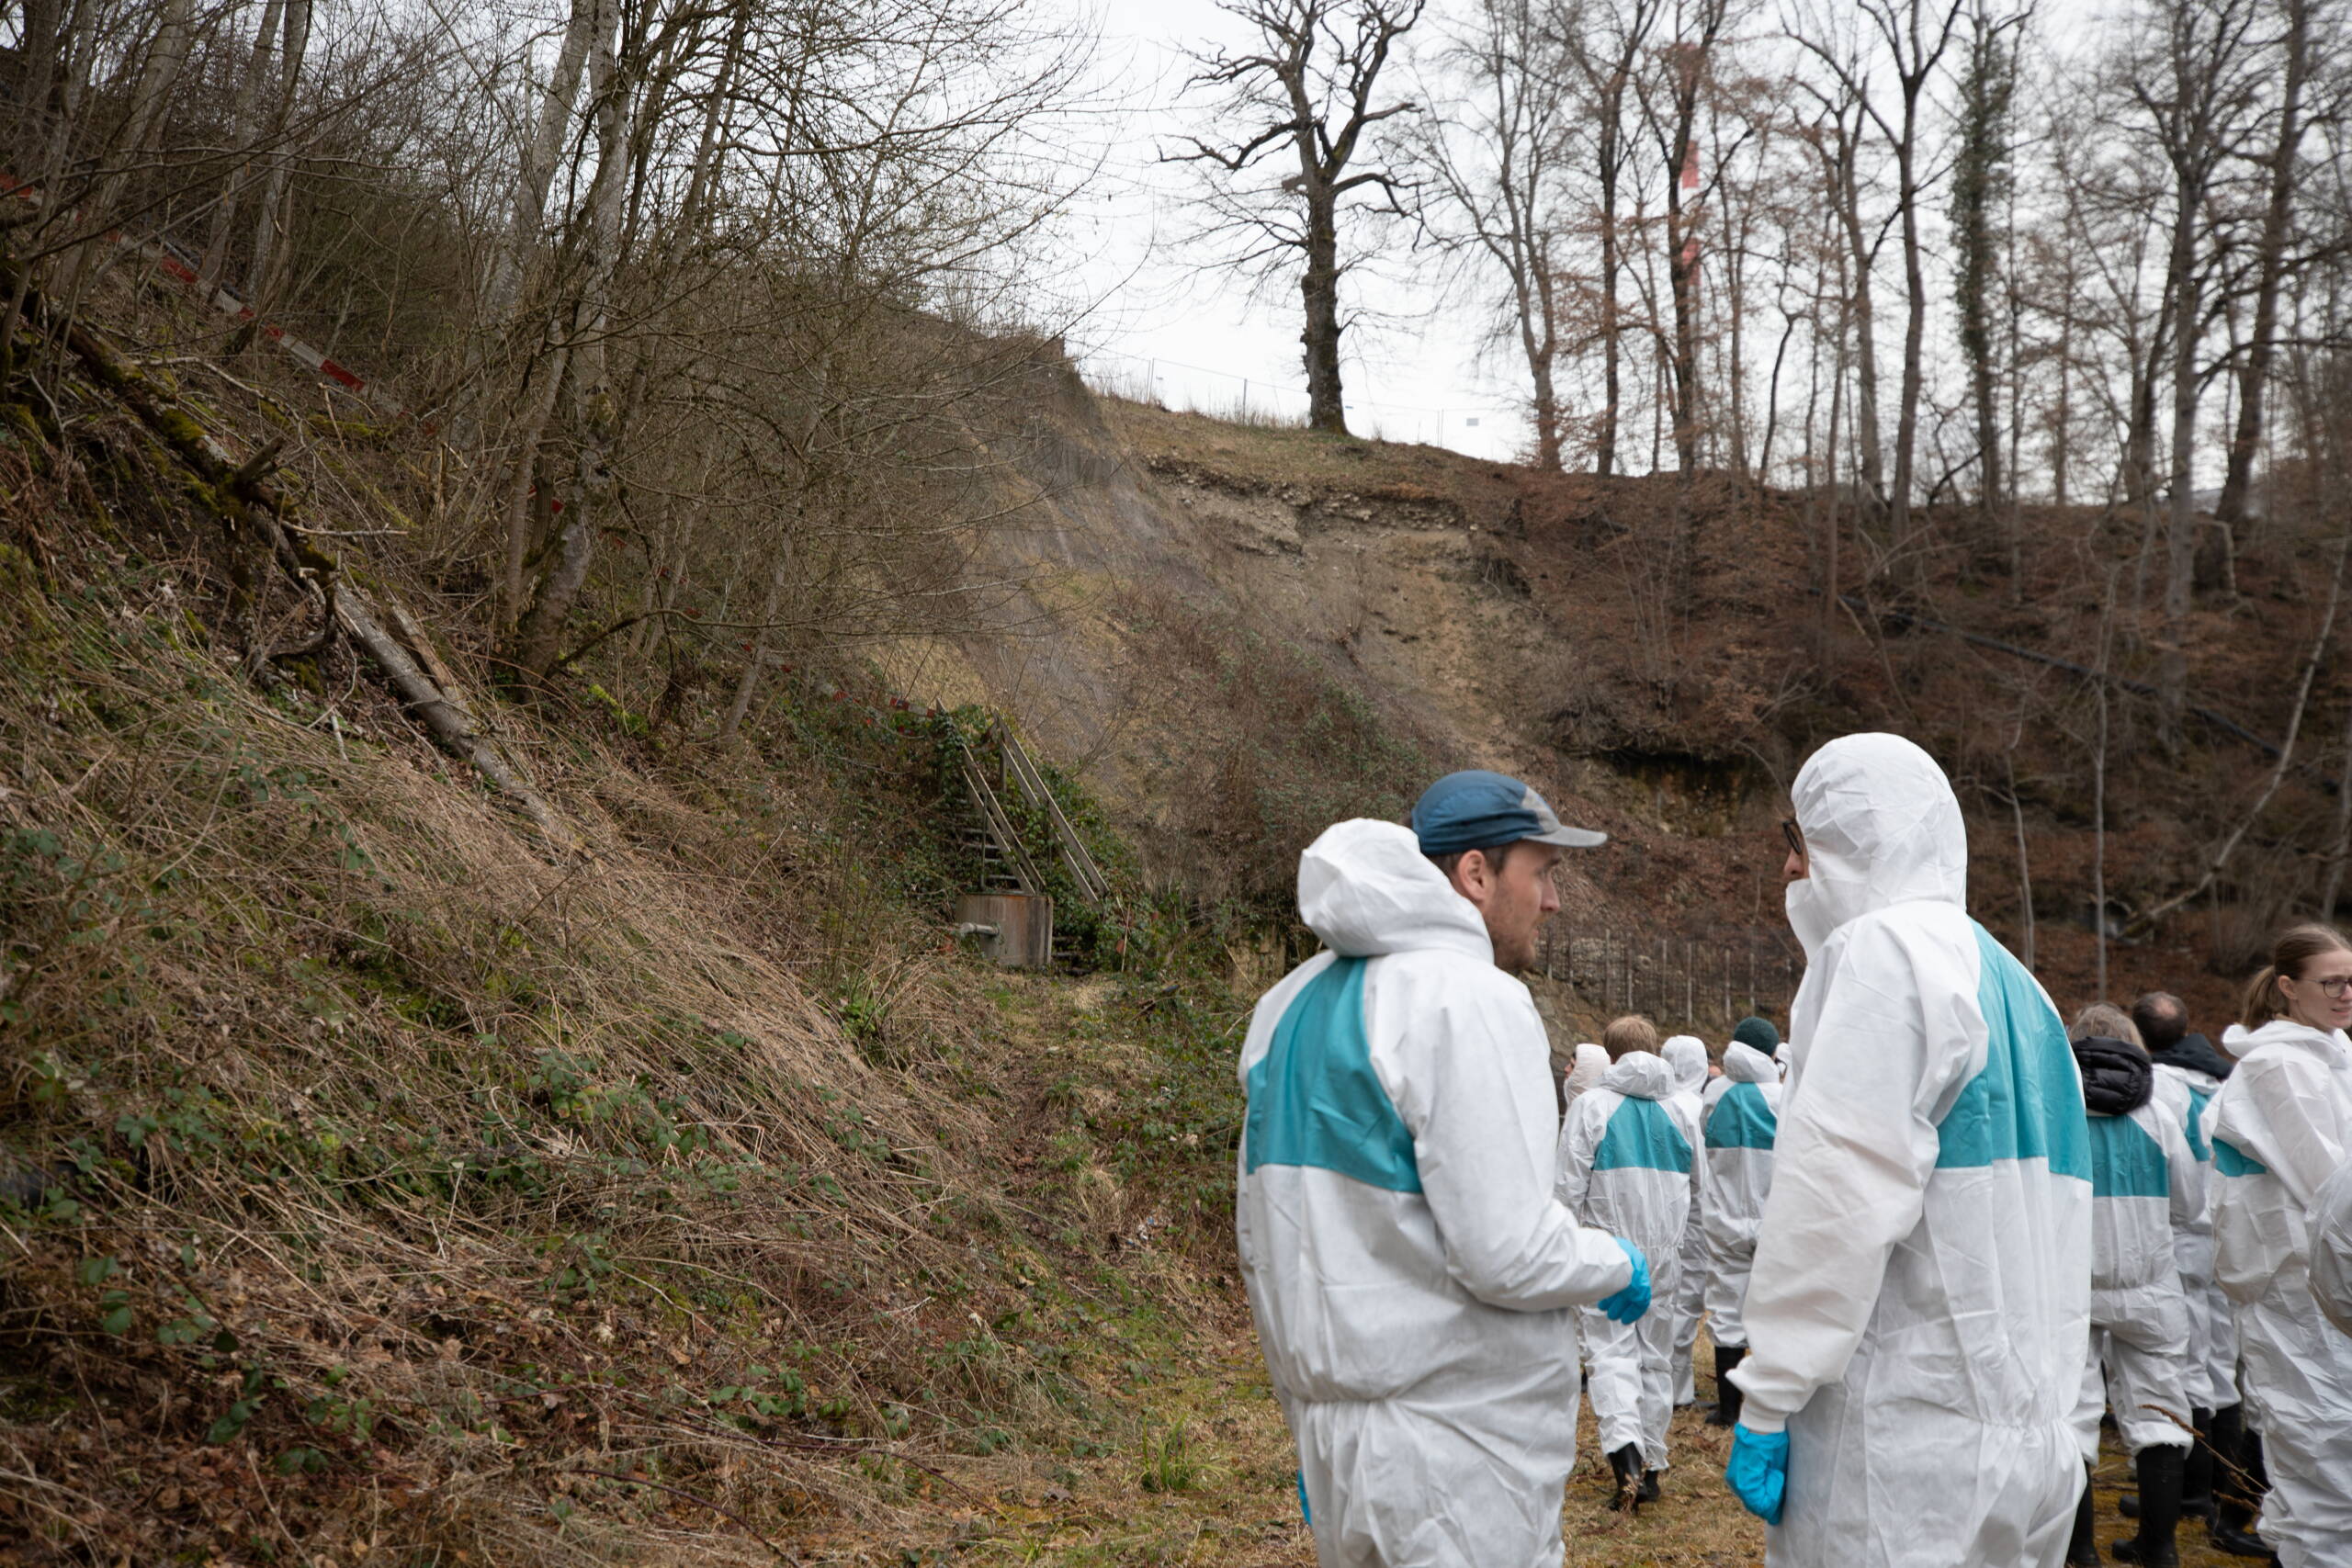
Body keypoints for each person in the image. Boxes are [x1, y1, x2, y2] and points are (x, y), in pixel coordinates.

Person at [1234, 773, 1647, 1568]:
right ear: (1476, 874)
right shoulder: (1470, 999)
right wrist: (1610, 1261)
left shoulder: (1283, 1007)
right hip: (1458, 1452)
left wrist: (1313, 1415)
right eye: (1543, 872)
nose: (1553, 901)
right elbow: (1507, 1251)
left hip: (1339, 1441)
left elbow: (1270, 1244)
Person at [1723, 732, 2093, 1567]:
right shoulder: (2020, 986)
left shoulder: (1881, 954)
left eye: (1800, 845)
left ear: (1853, 841)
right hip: (2027, 1439)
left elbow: (1838, 1194)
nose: (1791, 872)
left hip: (1901, 1443)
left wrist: (1771, 1391)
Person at [2204, 924, 2352, 1568]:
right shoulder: (2280, 1068)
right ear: (2289, 988)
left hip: (2327, 1289)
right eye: (2332, 981)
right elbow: (2332, 1190)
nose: (2346, 992)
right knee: (2323, 1468)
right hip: (2297, 1292)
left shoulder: (2329, 1057)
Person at [2061, 1004, 2204, 1568]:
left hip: (2071, 1282)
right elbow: (2191, 1205)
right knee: (2160, 1410)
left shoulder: (2058, 1107)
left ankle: (2079, 1552)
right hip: (2149, 1285)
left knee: (2071, 1414)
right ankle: (2160, 1546)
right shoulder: (2161, 1113)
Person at [1556, 1013, 1702, 1513]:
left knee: (1610, 1354)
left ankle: (1628, 1464)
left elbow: (1567, 1189)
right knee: (1655, 1360)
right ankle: (1654, 1467)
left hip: (1609, 1251)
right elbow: (1699, 1187)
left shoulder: (1591, 1106)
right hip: (1666, 1254)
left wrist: (1565, 1249)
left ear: (1609, 1054)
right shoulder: (1684, 1109)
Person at [2126, 990, 2249, 1552]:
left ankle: (2196, 1491)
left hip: (2181, 1236)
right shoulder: (2225, 1082)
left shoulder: (2159, 1091)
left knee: (2188, 1366)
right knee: (2221, 1360)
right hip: (2225, 1231)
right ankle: (2218, 1487)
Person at [1699, 1020, 1781, 1430]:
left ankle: (1728, 1410)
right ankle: (1769, 1406)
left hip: (1725, 1219)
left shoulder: (1714, 1094)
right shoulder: (1782, 1099)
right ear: (1770, 1052)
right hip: (1773, 1221)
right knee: (1775, 1310)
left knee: (1727, 1309)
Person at [1661, 1033, 1713, 1408]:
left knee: (1663, 1296)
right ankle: (1674, 1390)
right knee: (1685, 1302)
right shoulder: (1698, 1109)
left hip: (1658, 1213)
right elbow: (1704, 1175)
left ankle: (1662, 1381)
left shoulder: (1655, 1103)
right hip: (1694, 1214)